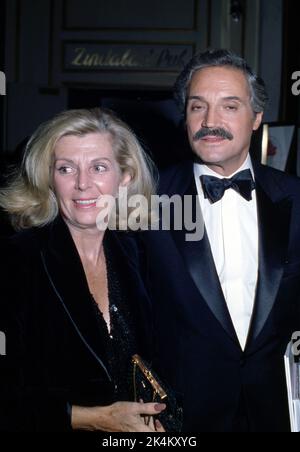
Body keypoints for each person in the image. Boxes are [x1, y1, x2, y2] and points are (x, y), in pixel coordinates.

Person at [141, 49, 300, 432]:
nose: (210, 121)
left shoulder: (295, 199)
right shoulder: (145, 202)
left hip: (276, 412)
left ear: (257, 117)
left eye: (229, 106)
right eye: (198, 107)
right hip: (179, 419)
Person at [0, 107, 166, 432]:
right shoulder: (15, 261)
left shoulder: (137, 252)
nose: (82, 184)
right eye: (66, 169)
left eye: (99, 167)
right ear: (48, 178)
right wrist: (95, 420)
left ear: (125, 177)